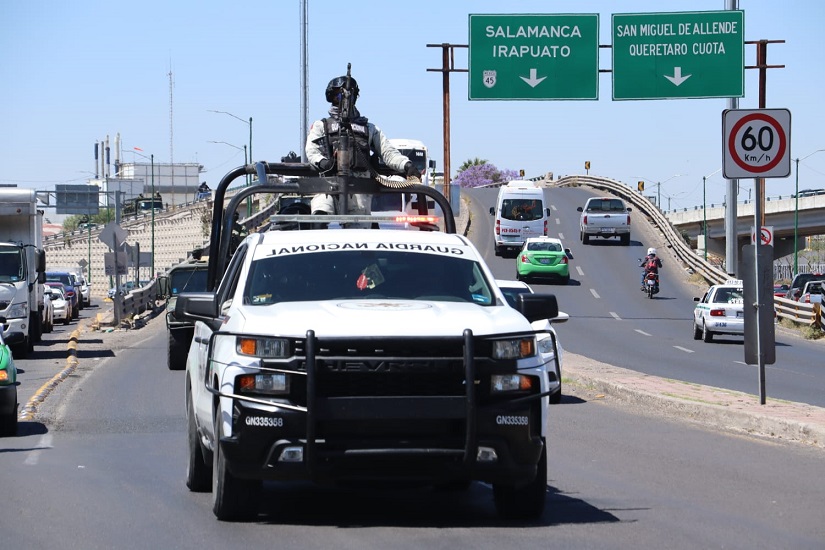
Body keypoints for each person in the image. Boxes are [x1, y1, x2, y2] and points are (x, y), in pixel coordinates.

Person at [305, 74, 417, 224]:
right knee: (319, 216)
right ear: (332, 98)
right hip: (328, 185)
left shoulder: (368, 128)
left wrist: (406, 165)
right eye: (339, 96)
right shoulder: (321, 126)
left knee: (359, 233)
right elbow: (311, 150)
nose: (344, 100)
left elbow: (387, 152)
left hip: (359, 189)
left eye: (349, 96)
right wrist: (324, 163)